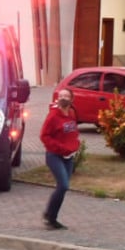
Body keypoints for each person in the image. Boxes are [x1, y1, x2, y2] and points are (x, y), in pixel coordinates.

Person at [40, 87, 80, 230]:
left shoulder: (71, 113)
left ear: (71, 99)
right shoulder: (53, 116)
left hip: (68, 156)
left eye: (66, 96)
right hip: (54, 156)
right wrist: (60, 148)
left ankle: (52, 218)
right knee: (63, 185)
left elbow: (73, 131)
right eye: (60, 95)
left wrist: (75, 144)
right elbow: (44, 136)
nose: (63, 98)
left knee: (62, 188)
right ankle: (49, 215)